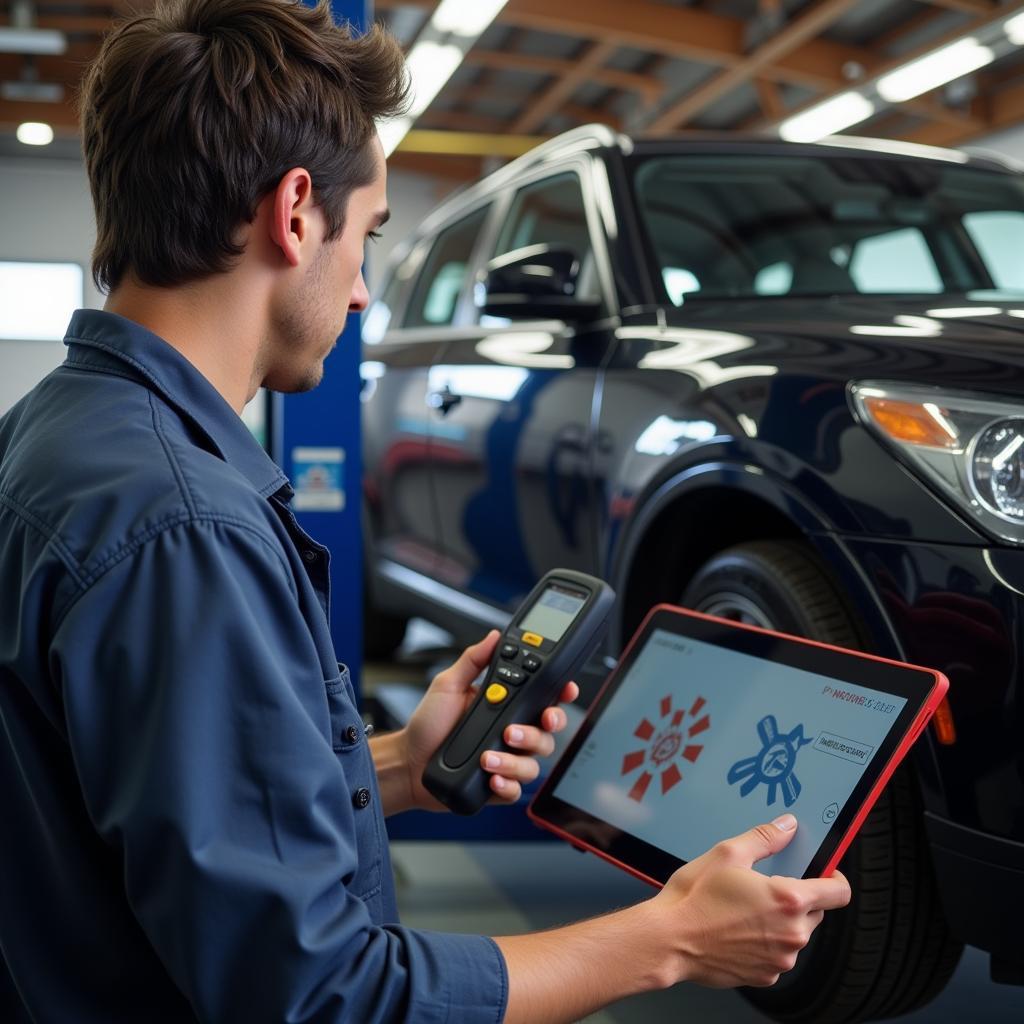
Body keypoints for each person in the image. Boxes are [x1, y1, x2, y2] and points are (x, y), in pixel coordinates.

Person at [0, 1, 851, 1021]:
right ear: (296, 210)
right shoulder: (185, 528)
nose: (362, 292)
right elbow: (323, 995)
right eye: (367, 237)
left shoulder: (54, 436)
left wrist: (399, 763)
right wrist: (667, 940)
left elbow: (144, 788)